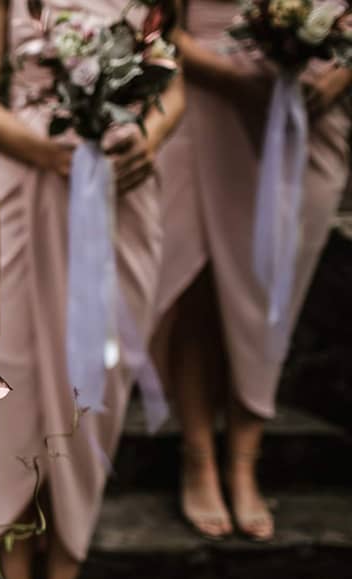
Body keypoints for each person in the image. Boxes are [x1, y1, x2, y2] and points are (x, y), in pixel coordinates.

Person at [0, 0, 184, 579]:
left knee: (98, 396)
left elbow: (174, 80)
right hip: (26, 188)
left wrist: (149, 136)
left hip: (120, 196)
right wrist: (36, 147)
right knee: (17, 392)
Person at [150, 0, 352, 542]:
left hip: (307, 117)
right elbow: (160, 27)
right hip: (208, 106)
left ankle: (244, 460)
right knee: (200, 288)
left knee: (271, 299)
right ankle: (199, 458)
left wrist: (335, 79)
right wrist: (232, 78)